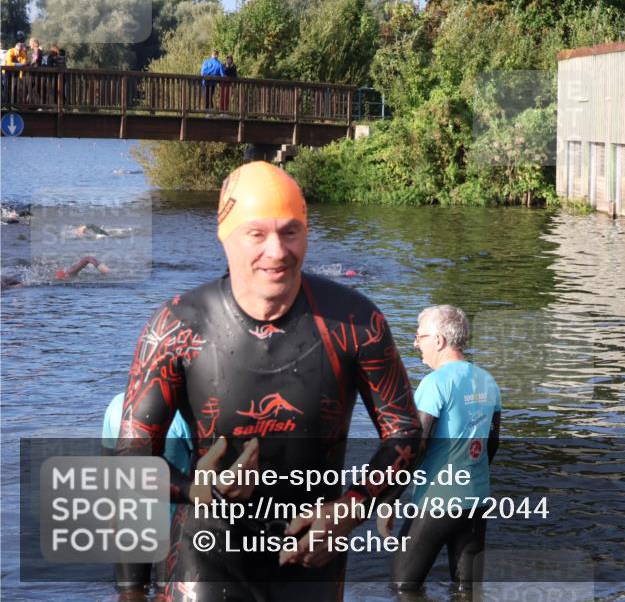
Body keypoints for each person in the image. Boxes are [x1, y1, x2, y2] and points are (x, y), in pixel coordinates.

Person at [116, 161, 422, 601]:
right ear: (226, 237)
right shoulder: (176, 327)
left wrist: (350, 509)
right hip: (205, 563)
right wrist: (195, 488)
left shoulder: (356, 321)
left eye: (290, 231)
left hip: (313, 558)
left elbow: (405, 432)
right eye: (256, 234)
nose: (276, 251)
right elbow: (130, 457)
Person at [378, 305, 502, 593]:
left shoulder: (434, 384)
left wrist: (389, 499)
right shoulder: (488, 381)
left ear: (438, 340)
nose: (415, 343)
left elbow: (414, 448)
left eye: (419, 336)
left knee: (403, 587)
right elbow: (491, 445)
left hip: (437, 501)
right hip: (477, 498)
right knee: (467, 590)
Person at [103, 392, 193, 602]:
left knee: (130, 595)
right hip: (173, 527)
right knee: (167, 595)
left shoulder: (117, 405)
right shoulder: (185, 412)